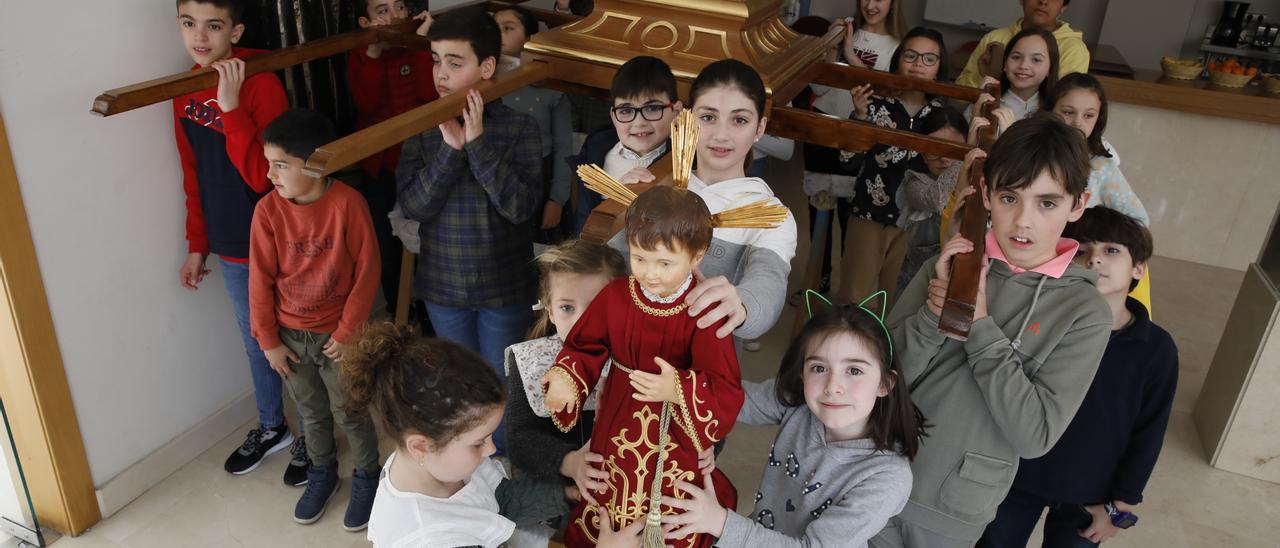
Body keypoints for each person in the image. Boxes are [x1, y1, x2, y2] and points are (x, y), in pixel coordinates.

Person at [870, 114, 1113, 547]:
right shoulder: (946, 265)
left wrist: (979, 325)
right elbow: (875, 380)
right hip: (872, 473)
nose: (1023, 221)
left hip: (953, 507)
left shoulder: (1085, 312)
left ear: (1078, 205)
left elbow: (1034, 435)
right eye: (1008, 197)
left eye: (1047, 203)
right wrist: (934, 313)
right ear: (985, 193)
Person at [542, 186, 748, 548]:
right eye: (639, 258)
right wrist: (567, 378)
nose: (650, 273)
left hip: (675, 430)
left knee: (668, 498)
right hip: (619, 412)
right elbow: (585, 344)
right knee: (610, 483)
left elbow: (726, 387)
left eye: (665, 263)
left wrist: (679, 388)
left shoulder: (703, 309)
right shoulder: (617, 295)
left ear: (696, 255)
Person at [976, 206, 1176, 548]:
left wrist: (1120, 507)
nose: (1094, 260)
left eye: (1111, 250)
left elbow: (1149, 432)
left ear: (1139, 268)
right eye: (1082, 251)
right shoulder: (1041, 320)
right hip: (1016, 476)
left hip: (1089, 495)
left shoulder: (1155, 348)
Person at [659, 294, 924, 547]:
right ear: (802, 373)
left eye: (854, 370)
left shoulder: (888, 477)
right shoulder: (798, 403)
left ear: (885, 384)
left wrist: (720, 522)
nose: (833, 386)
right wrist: (698, 425)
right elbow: (728, 400)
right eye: (819, 368)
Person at [171, 0, 308, 485]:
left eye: (214, 25)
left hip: (277, 236)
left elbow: (261, 178)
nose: (200, 36)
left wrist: (230, 109)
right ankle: (273, 428)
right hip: (230, 241)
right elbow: (194, 175)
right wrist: (196, 244)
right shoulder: (183, 90)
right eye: (189, 24)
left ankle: (314, 435)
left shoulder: (261, 81)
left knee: (292, 338)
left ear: (236, 29)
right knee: (257, 340)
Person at [396, 6, 544, 453]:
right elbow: (416, 206)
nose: (441, 73)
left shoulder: (521, 128)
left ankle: (501, 472)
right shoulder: (421, 127)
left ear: (487, 67)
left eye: (454, 62)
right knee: (457, 387)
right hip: (444, 287)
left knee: (500, 387)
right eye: (436, 60)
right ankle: (469, 470)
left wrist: (476, 146)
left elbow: (520, 208)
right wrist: (448, 150)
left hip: (504, 288)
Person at [248, 109, 382, 529]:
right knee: (311, 412)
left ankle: (367, 476)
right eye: (269, 163)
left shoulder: (348, 204)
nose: (271, 174)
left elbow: (367, 272)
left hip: (340, 336)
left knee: (351, 411)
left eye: (281, 165)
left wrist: (347, 332)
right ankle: (321, 473)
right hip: (290, 337)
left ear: (317, 163)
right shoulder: (267, 213)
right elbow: (259, 281)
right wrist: (268, 340)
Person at [611, 59, 798, 343]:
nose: (721, 135)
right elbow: (605, 269)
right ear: (686, 118)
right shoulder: (654, 186)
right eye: (708, 117)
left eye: (739, 120)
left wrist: (741, 304)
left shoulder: (771, 215)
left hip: (694, 378)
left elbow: (767, 284)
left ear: (760, 128)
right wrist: (618, 212)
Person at [345, 323, 577, 547]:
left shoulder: (437, 464)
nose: (492, 450)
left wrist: (567, 494)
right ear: (420, 446)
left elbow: (499, 500)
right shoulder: (432, 540)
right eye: (478, 443)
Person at [502, 240, 628, 545]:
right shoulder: (531, 361)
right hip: (553, 499)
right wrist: (569, 461)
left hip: (624, 497)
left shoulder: (638, 361)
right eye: (567, 307)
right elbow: (519, 441)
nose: (583, 321)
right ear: (550, 310)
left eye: (598, 307)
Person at [838, 27, 949, 307]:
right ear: (898, 59)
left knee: (896, 300)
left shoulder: (942, 116)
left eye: (928, 59)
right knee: (854, 297)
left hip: (916, 222)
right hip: (868, 214)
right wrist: (860, 117)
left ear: (938, 68)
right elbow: (848, 162)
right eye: (910, 55)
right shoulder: (874, 104)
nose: (917, 64)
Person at [347, 0, 436, 318]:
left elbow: (429, 97)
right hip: (380, 165)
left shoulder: (418, 48)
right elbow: (366, 104)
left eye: (399, 6)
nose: (394, 16)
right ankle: (400, 311)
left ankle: (428, 309)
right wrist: (373, 51)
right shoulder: (361, 56)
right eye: (381, 10)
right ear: (365, 22)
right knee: (384, 244)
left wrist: (420, 43)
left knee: (425, 238)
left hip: (421, 163)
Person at [568, 56, 679, 235]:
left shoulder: (686, 161)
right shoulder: (595, 150)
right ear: (613, 116)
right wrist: (615, 198)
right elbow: (582, 220)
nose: (639, 122)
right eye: (626, 111)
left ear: (676, 111)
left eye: (652, 108)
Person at [495, 5, 575, 244]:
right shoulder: (479, 78)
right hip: (494, 178)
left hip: (540, 180)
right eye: (493, 29)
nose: (498, 35)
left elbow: (564, 148)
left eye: (508, 28)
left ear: (529, 38)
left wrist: (557, 200)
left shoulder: (548, 85)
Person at [1045, 73, 1149, 226]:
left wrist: (1087, 234)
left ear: (1098, 119)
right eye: (1068, 112)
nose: (1078, 123)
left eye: (1089, 115)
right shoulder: (1029, 154)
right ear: (1049, 110)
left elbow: (1139, 223)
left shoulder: (1101, 168)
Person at [894, 106, 969, 293]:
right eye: (935, 149)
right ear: (922, 152)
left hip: (959, 276)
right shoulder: (914, 182)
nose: (944, 159)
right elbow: (936, 199)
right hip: (917, 280)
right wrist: (964, 157)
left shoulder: (975, 185)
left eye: (953, 150)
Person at [956, 0, 1088, 89]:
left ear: (1063, 7)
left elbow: (1064, 105)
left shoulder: (1073, 49)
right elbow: (959, 97)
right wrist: (982, 76)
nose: (1043, 1)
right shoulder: (995, 37)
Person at [966, 28, 1059, 121]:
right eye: (1016, 57)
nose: (1023, 66)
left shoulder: (1056, 109)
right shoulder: (986, 101)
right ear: (1005, 63)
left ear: (1050, 68)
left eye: (1036, 60)